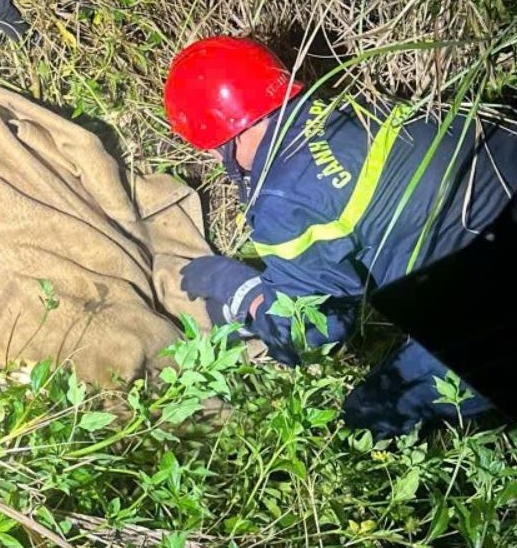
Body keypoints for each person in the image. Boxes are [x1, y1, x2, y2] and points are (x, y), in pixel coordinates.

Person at [164, 36, 517, 438]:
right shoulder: (353, 106)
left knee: (371, 415)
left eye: (209, 149)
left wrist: (237, 289)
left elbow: (310, 332)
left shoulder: (284, 197)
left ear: (227, 139)